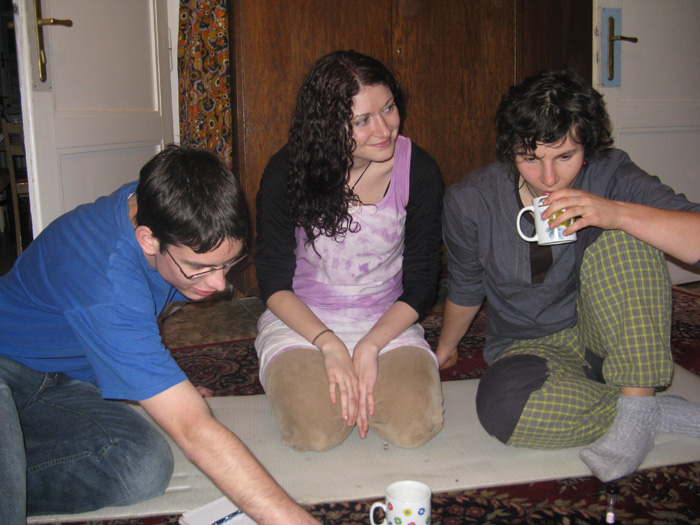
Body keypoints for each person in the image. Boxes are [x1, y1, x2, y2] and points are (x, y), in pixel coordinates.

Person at [0, 145, 317, 524]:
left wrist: (153, 380)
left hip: (65, 377)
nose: (219, 284)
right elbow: (192, 429)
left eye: (228, 263)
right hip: (7, 370)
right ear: (147, 240)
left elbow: (140, 320)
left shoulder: (155, 202)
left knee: (142, 468)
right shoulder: (107, 283)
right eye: (200, 268)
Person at [438, 69, 700, 482]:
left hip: (605, 334)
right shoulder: (471, 200)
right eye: (530, 158)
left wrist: (616, 213)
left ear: (587, 147)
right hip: (529, 346)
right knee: (504, 411)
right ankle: (643, 409)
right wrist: (445, 347)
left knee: (628, 236)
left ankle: (635, 407)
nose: (548, 178)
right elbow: (466, 284)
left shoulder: (610, 173)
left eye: (565, 157)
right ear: (510, 151)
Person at [255, 50, 445, 451]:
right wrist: (329, 344)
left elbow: (423, 280)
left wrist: (371, 345)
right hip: (304, 320)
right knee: (316, 433)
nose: (384, 129)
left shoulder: (419, 168)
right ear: (327, 126)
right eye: (362, 120)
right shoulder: (287, 169)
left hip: (386, 319)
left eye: (389, 108)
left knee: (413, 428)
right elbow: (272, 280)